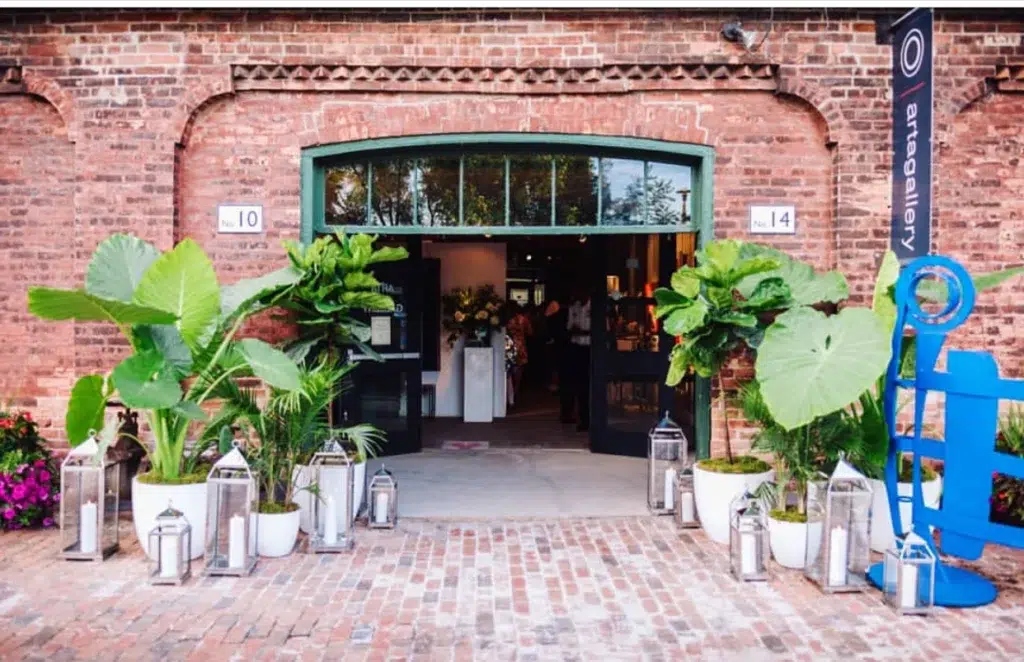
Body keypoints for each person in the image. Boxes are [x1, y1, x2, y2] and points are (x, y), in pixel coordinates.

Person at [564, 287, 591, 431]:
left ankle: (592, 419)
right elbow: (569, 328)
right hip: (577, 348)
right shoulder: (573, 307)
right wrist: (574, 331)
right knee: (579, 386)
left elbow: (601, 329)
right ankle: (583, 419)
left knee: (591, 386)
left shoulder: (594, 306)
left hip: (590, 349)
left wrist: (583, 332)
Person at [505, 301, 533, 406]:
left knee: (508, 371)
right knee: (518, 371)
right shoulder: (523, 319)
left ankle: (509, 394)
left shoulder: (505, 320)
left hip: (507, 346)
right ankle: (515, 392)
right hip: (520, 346)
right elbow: (530, 332)